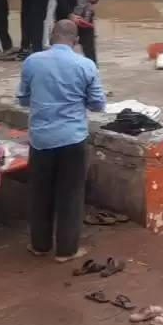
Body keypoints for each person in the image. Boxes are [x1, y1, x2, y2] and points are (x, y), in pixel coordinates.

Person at [16, 20, 106, 263]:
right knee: (71, 194)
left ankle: (40, 245)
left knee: (39, 192)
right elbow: (98, 104)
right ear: (76, 40)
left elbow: (23, 99)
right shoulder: (86, 65)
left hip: (41, 139)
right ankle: (66, 250)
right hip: (72, 138)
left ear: (51, 36)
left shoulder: (32, 62)